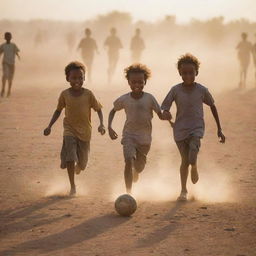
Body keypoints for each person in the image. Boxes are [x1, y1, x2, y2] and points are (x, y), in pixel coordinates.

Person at [161, 53, 226, 201]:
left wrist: (219, 128)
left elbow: (212, 106)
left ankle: (194, 166)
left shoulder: (202, 90)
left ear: (196, 72)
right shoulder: (175, 90)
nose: (188, 75)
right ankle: (183, 190)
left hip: (196, 127)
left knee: (193, 152)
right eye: (184, 73)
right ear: (180, 73)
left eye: (191, 72)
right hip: (179, 129)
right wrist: (166, 113)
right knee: (184, 161)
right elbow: (165, 106)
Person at [44, 61, 105, 196]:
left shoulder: (88, 94)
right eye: (74, 78)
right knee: (70, 156)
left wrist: (102, 124)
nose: (77, 80)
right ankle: (73, 186)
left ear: (84, 78)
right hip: (69, 129)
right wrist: (49, 126)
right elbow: (58, 110)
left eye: (80, 78)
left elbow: (98, 109)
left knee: (82, 164)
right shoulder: (65, 94)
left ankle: (78, 167)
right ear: (68, 78)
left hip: (85, 132)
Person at [108, 63, 163, 194]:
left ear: (145, 82)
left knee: (139, 167)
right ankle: (128, 192)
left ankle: (136, 171)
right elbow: (112, 110)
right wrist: (110, 127)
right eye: (134, 82)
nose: (137, 84)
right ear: (128, 82)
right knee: (128, 161)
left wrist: (168, 118)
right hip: (129, 136)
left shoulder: (149, 98)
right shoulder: (125, 99)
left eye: (140, 82)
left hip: (145, 139)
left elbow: (160, 114)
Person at [0, 32, 20, 97]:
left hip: (12, 63)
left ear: (11, 37)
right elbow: (0, 53)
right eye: (7, 37)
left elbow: (16, 52)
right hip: (5, 62)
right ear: (5, 38)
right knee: (5, 75)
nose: (8, 38)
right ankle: (3, 89)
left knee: (10, 78)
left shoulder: (13, 45)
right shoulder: (3, 45)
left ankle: (9, 90)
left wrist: (18, 56)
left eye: (9, 36)